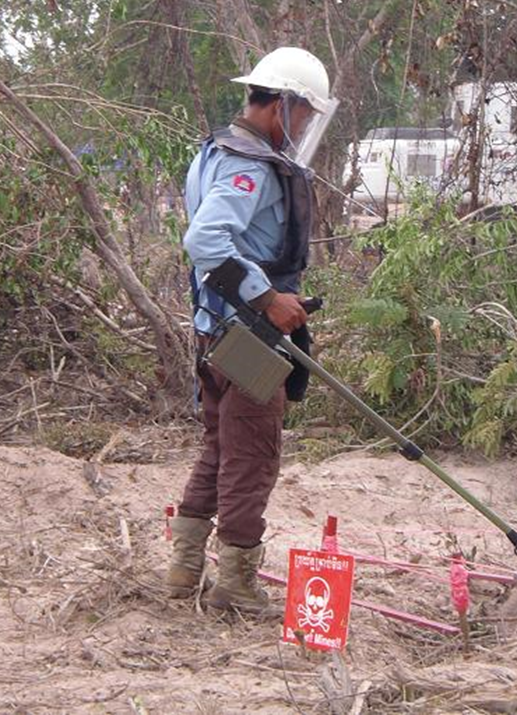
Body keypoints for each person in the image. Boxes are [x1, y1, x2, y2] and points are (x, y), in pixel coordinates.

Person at [166, 47, 338, 615]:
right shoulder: (250, 166)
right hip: (246, 338)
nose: (305, 126)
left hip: (213, 332)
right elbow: (205, 242)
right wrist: (268, 298)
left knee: (220, 449)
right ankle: (235, 585)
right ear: (282, 105)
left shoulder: (216, 151)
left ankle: (183, 572)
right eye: (305, 115)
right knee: (253, 455)